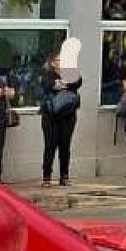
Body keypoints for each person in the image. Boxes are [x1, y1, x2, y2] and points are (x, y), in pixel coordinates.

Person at [34, 50, 81, 187]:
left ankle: (64, 176)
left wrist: (62, 83)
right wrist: (62, 84)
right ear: (54, 63)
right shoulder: (46, 74)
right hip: (51, 115)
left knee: (65, 146)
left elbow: (78, 81)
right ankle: (47, 177)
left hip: (68, 115)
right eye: (61, 60)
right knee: (50, 145)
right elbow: (49, 85)